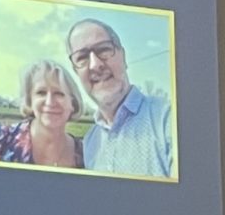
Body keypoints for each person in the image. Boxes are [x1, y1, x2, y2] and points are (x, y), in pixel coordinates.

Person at [68, 18, 175, 180]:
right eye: (82, 57)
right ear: (76, 72)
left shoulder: (169, 119)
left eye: (104, 49)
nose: (95, 64)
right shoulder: (90, 142)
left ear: (123, 57)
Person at [0, 59, 86, 168]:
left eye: (59, 93)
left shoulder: (86, 153)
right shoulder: (0, 140)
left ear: (73, 103)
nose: (50, 102)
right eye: (41, 93)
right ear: (30, 100)